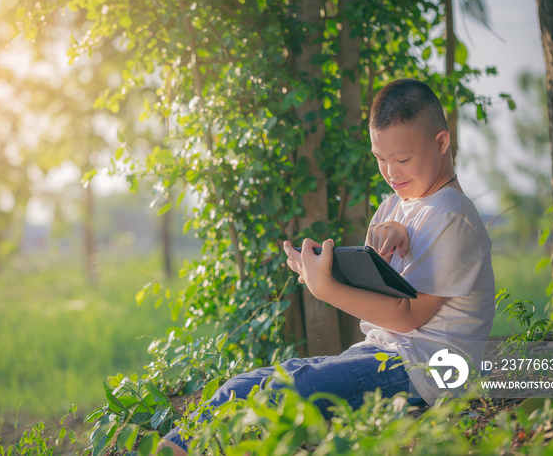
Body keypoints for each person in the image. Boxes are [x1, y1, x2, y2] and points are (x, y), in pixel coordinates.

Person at [158, 78, 495, 455]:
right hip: (379, 353)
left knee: (293, 391)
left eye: (402, 159)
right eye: (380, 159)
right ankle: (170, 449)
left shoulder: (455, 216)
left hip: (428, 371)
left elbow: (409, 317)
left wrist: (326, 288)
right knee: (243, 385)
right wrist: (357, 258)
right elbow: (376, 295)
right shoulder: (394, 207)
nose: (391, 172)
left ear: (441, 143)